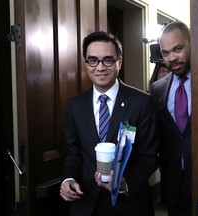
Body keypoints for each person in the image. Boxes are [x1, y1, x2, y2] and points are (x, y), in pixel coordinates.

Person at [60, 31, 159, 216]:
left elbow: (150, 156)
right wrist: (68, 179)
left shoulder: (142, 102)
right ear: (86, 63)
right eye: (93, 60)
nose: (100, 67)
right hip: (85, 202)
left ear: (119, 62)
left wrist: (125, 183)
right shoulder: (75, 105)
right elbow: (73, 153)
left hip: (129, 204)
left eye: (108, 60)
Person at [150, 21, 192, 216]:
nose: (172, 58)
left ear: (192, 44)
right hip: (174, 185)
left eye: (178, 49)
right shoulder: (157, 89)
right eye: (165, 53)